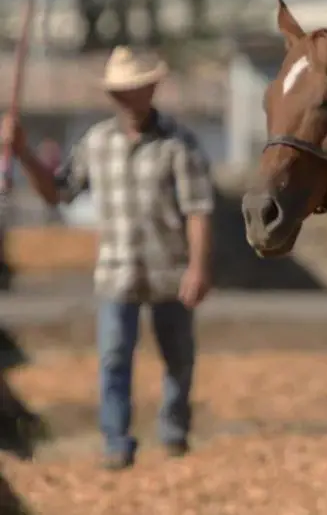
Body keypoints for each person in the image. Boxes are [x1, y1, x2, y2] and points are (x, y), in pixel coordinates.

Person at [0, 46, 215, 471]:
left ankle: (174, 431)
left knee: (178, 357)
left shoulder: (179, 143)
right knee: (114, 357)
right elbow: (58, 192)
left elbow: (198, 209)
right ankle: (116, 442)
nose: (123, 98)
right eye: (117, 91)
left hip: (168, 268)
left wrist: (199, 266)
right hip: (116, 270)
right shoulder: (96, 143)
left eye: (131, 89)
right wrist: (23, 154)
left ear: (149, 90)